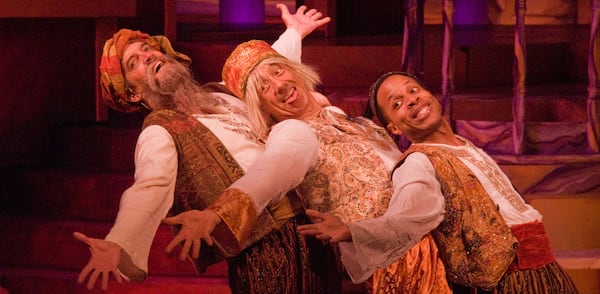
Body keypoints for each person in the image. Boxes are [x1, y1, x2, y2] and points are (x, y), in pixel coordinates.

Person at [73, 4, 341, 293]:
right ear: (133, 92)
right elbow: (151, 185)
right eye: (133, 63)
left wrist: (294, 32)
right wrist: (119, 241)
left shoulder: (221, 93)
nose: (147, 56)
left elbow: (260, 72)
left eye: (148, 48)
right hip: (263, 247)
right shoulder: (160, 128)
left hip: (313, 229)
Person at [297, 71, 580, 293]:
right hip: (508, 282)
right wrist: (351, 231)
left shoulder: (466, 145)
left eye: (413, 90)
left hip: (545, 271)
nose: (410, 100)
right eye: (397, 104)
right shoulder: (419, 163)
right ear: (394, 127)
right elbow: (405, 220)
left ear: (430, 94)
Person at [217, 41, 451, 293]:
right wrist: (216, 215)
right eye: (264, 87)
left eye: (278, 71)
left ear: (294, 69)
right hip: (393, 264)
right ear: (259, 104)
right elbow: (268, 172)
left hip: (434, 243)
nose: (280, 85)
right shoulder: (289, 133)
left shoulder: (349, 118)